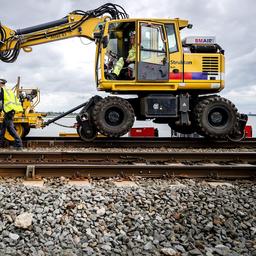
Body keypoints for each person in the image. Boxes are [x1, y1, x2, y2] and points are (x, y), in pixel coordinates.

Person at [0, 78, 23, 150]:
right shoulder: (8, 90)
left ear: (1, 83)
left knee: (10, 128)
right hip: (11, 111)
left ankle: (19, 145)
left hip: (8, 111)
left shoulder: (2, 91)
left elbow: (1, 102)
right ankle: (0, 143)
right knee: (3, 128)